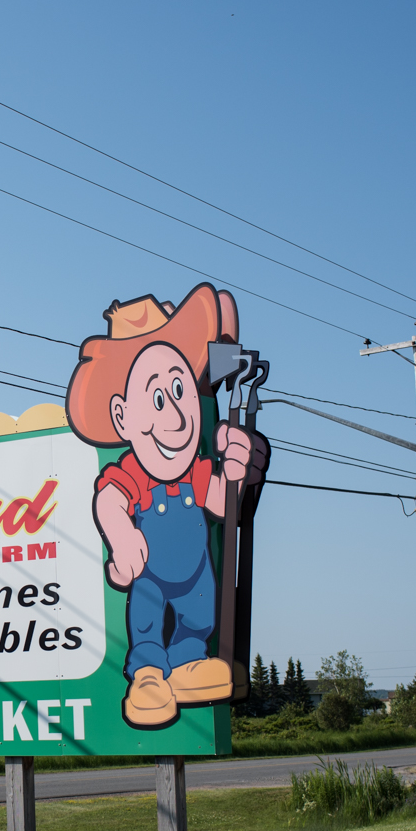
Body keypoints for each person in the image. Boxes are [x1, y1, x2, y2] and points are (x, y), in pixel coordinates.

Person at [65, 285, 268, 730]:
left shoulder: (196, 469)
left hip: (196, 574)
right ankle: (148, 677)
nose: (176, 418)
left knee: (197, 619)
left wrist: (239, 472)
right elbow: (109, 498)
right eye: (158, 399)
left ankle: (188, 665)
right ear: (122, 417)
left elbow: (223, 504)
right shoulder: (133, 472)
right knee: (147, 621)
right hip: (151, 575)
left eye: (181, 391)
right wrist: (121, 536)